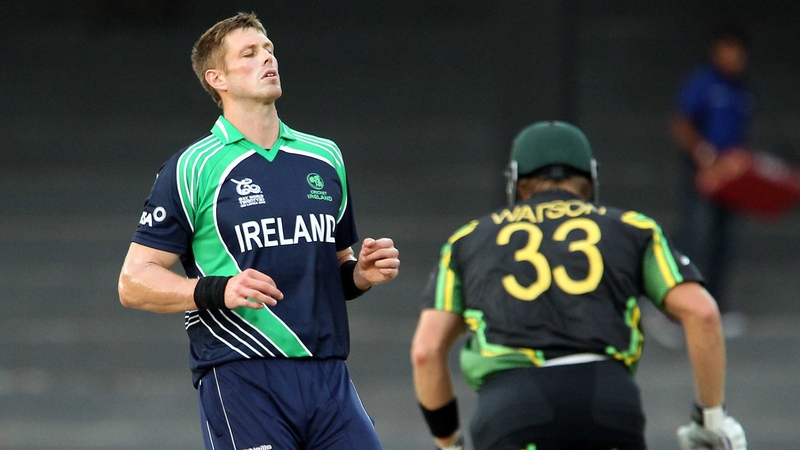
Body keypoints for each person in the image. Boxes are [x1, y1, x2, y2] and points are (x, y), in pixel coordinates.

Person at [118, 12, 399, 450]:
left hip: (328, 375)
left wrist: (360, 274)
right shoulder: (192, 167)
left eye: (268, 50)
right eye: (249, 54)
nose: (268, 59)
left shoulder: (324, 156)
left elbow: (338, 267)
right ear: (218, 79)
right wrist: (219, 290)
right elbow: (134, 282)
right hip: (242, 375)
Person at [410, 121, 746, 450]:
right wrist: (711, 419)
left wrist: (449, 442)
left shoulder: (467, 241)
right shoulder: (633, 229)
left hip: (511, 407)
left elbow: (426, 352)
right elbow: (702, 312)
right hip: (608, 404)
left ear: (518, 184)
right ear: (589, 179)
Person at [671, 24, 753, 336]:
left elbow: (741, 133)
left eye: (738, 50)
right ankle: (675, 310)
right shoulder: (702, 83)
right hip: (702, 174)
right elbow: (681, 124)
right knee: (696, 236)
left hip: (732, 178)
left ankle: (714, 307)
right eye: (727, 48)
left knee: (723, 240)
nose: (733, 56)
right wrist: (705, 156)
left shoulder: (743, 89)